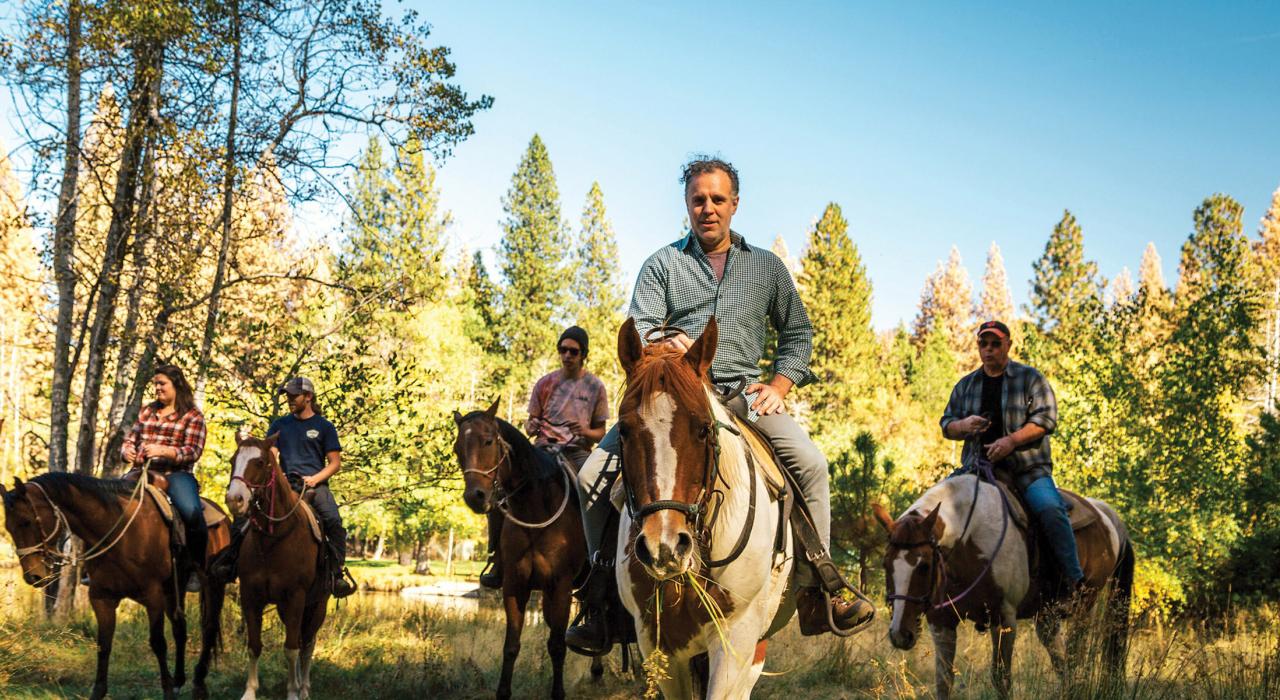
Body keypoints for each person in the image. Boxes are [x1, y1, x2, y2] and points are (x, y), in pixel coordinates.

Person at [566, 156, 874, 652]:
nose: (707, 208)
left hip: (743, 397)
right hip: (673, 400)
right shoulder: (663, 264)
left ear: (734, 204)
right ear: (687, 205)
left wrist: (780, 385)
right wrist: (671, 342)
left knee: (812, 466)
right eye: (698, 199)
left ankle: (823, 589)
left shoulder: (765, 268)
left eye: (717, 199)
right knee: (590, 478)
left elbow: (797, 333)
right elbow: (642, 325)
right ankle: (599, 597)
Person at [940, 320, 1085, 590]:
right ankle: (943, 588)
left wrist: (1010, 441)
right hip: (975, 469)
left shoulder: (1030, 378)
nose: (989, 349)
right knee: (937, 507)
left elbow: (1046, 420)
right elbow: (947, 424)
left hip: (1027, 470)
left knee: (1051, 510)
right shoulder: (966, 385)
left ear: (1009, 344)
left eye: (996, 343)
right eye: (984, 344)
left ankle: (1074, 581)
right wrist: (964, 425)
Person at [479, 326, 609, 589]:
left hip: (577, 451)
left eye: (573, 351)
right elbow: (531, 422)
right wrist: (531, 427)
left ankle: (598, 558)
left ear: (583, 354)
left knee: (596, 488)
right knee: (502, 489)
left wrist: (584, 431)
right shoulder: (545, 383)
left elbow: (600, 433)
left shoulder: (595, 386)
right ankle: (497, 557)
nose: (567, 355)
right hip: (543, 449)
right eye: (563, 350)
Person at [213, 377, 357, 598]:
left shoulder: (324, 427)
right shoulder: (280, 425)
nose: (289, 400)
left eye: (293, 396)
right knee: (244, 517)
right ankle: (231, 562)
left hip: (314, 485)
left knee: (333, 521)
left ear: (308, 397)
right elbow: (271, 456)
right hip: (283, 483)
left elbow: (335, 463)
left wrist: (315, 479)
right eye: (287, 396)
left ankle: (336, 575)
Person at [120, 364, 208, 592]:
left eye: (162, 384)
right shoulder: (147, 411)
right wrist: (126, 451)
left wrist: (164, 451)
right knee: (109, 503)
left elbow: (193, 451)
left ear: (176, 385)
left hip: (175, 475)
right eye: (155, 384)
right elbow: (131, 438)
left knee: (191, 511)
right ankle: (102, 568)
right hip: (141, 472)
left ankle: (195, 569)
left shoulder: (193, 416)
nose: (157, 388)